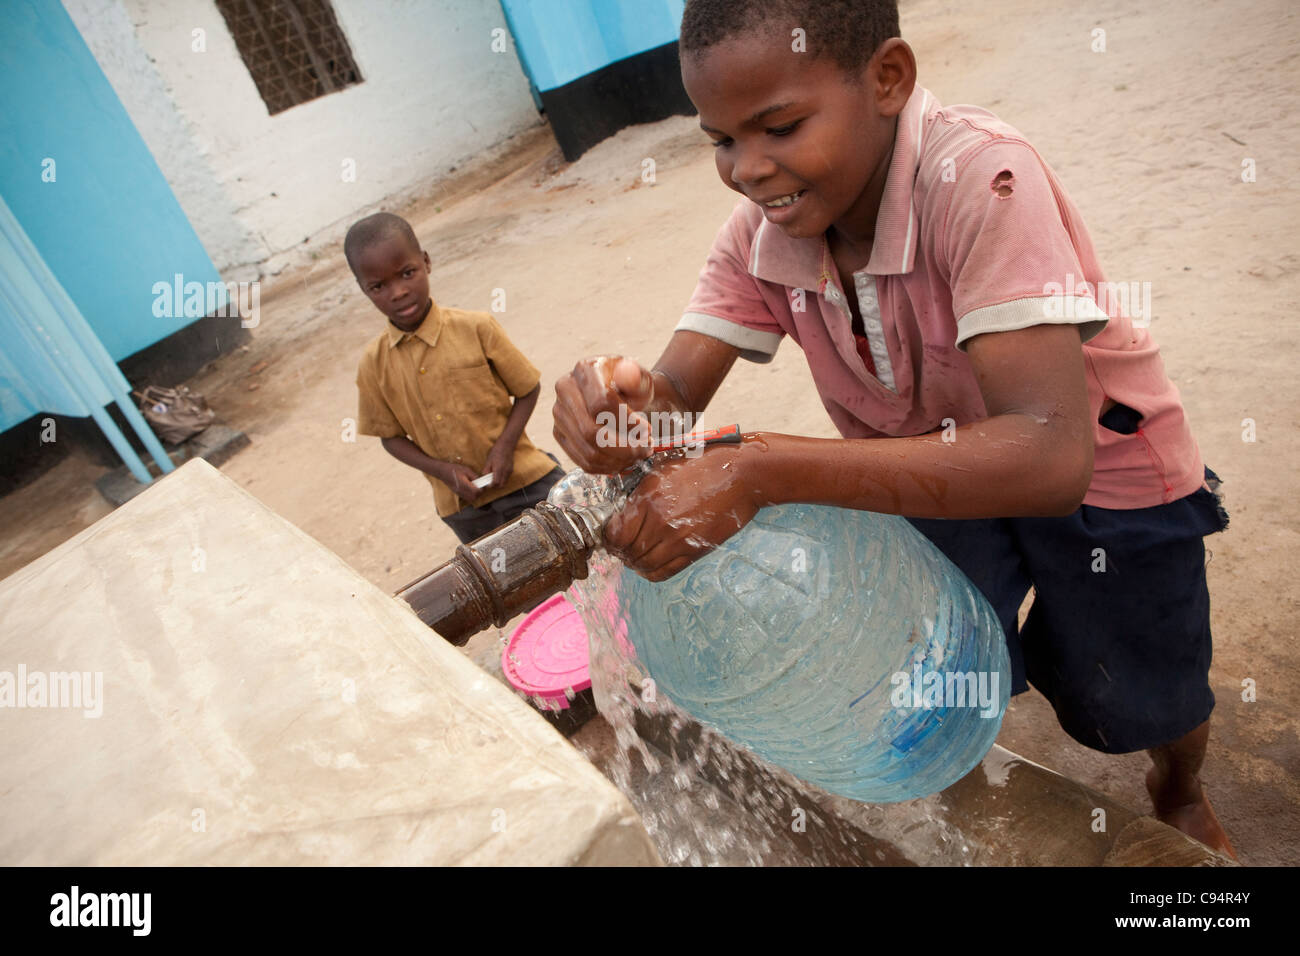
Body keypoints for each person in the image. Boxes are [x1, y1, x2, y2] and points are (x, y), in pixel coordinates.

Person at [550, 0, 1236, 858]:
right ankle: (968, 774)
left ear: (888, 78)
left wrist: (759, 466)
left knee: (1144, 685)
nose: (749, 170)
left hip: (1108, 471)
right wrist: (619, 408)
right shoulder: (767, 231)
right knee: (940, 662)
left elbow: (1055, 453)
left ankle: (1178, 791)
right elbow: (672, 396)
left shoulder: (982, 180)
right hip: (936, 475)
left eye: (780, 127)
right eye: (722, 141)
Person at [350, 212, 563, 545]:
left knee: (582, 554)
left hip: (526, 480)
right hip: (464, 507)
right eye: (379, 286)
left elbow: (527, 389)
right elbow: (390, 438)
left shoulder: (476, 327)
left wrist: (505, 447)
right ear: (365, 291)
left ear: (426, 262)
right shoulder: (373, 365)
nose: (398, 292)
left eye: (407, 273)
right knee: (511, 586)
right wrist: (442, 471)